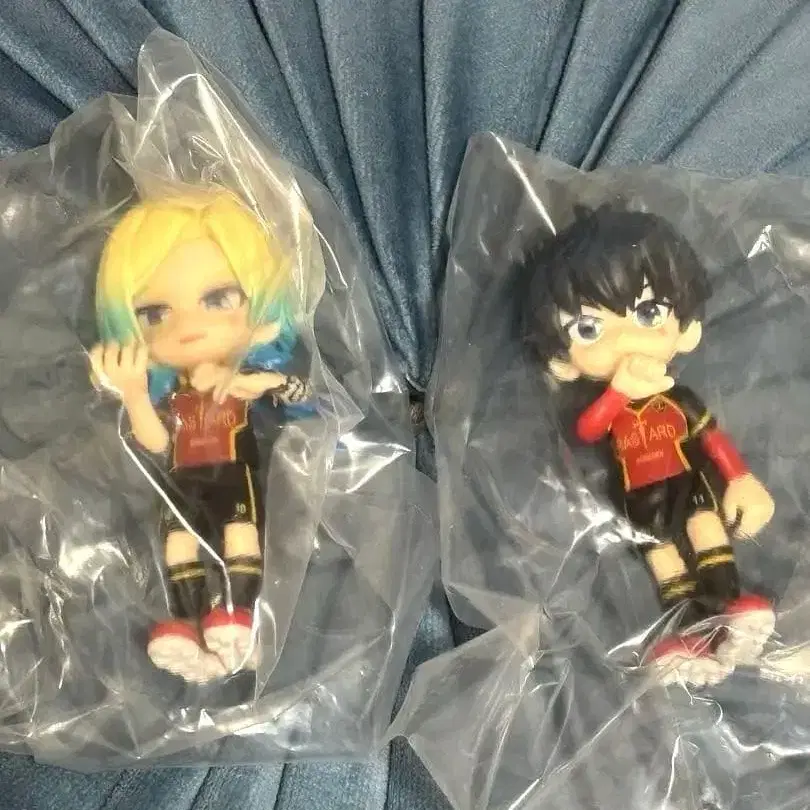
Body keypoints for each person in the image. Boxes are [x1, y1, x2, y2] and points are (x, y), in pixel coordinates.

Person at [521, 204, 775, 686]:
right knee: (664, 560)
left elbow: (711, 436)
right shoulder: (609, 403)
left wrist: (741, 479)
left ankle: (732, 610)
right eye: (589, 328)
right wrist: (618, 392)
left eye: (648, 312)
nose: (625, 337)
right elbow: (588, 430)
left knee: (708, 532)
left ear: (687, 330)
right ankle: (690, 637)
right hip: (637, 496)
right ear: (563, 362)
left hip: (690, 483)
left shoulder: (678, 398)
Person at [90, 190, 309, 682]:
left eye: (218, 299)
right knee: (178, 547)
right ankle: (189, 626)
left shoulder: (244, 379)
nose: (188, 327)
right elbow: (154, 443)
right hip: (182, 477)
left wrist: (261, 380)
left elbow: (303, 400)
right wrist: (133, 393)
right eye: (154, 313)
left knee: (240, 535)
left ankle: (240, 616)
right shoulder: (171, 396)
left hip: (231, 472)